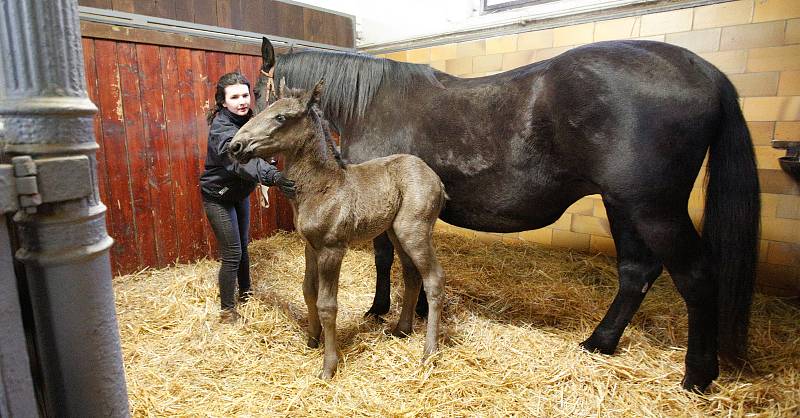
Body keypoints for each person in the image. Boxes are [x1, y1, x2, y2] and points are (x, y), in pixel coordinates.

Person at [200, 72, 296, 324]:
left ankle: (246, 293)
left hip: (240, 192)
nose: (242, 101)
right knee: (232, 252)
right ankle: (227, 311)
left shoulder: (249, 120)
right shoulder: (221, 128)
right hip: (218, 197)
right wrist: (272, 176)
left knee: (243, 246)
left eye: (245, 95)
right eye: (234, 97)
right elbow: (238, 160)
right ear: (223, 101)